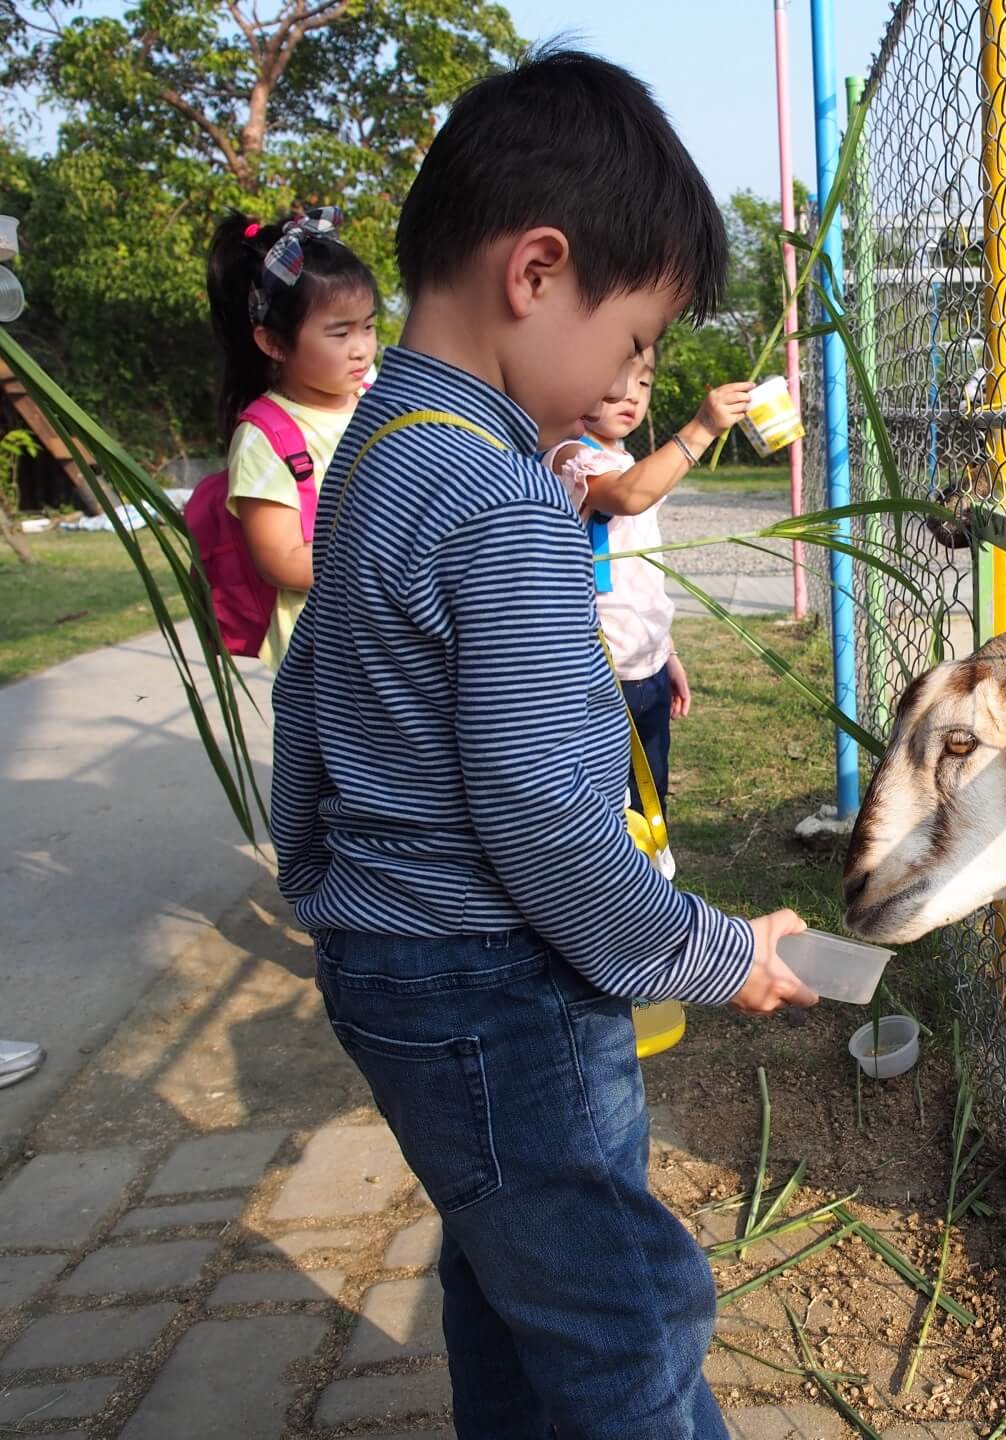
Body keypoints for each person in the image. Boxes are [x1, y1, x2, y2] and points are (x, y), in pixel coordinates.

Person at [268, 49, 816, 1440]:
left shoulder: (379, 449)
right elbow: (547, 820)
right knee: (625, 1318)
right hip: (497, 991)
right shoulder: (504, 498)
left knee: (512, 1272)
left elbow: (308, 693)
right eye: (633, 341)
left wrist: (323, 877)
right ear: (537, 271)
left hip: (392, 966)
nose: (631, 379)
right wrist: (716, 951)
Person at [547, 349, 751, 815]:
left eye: (644, 383)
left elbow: (641, 576)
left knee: (650, 798)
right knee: (604, 807)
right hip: (599, 673)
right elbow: (627, 495)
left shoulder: (626, 459)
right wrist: (702, 428)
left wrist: (667, 653)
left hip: (647, 664)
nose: (631, 396)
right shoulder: (568, 457)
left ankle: (652, 860)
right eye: (617, 379)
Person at [206, 208, 378, 669]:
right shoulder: (264, 438)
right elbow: (280, 560)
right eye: (340, 333)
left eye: (368, 326)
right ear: (274, 343)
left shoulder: (371, 393)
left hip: (384, 634)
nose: (362, 348)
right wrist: (382, 560)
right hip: (324, 658)